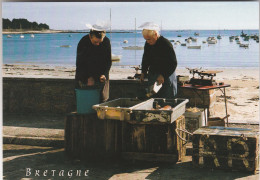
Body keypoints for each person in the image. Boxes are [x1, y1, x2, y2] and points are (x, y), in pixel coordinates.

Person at [139, 22, 178, 99]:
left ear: (156, 35)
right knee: (153, 98)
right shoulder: (147, 44)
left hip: (167, 75)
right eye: (146, 39)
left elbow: (173, 63)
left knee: (168, 100)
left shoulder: (166, 44)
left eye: (149, 39)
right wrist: (143, 72)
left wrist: (163, 75)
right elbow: (145, 59)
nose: (147, 41)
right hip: (153, 74)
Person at [75, 23, 112, 102]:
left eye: (100, 42)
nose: (98, 44)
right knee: (85, 99)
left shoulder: (106, 41)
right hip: (84, 72)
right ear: (90, 36)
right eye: (95, 42)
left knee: (103, 98)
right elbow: (80, 63)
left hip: (101, 72)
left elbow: (108, 61)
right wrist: (88, 77)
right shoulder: (83, 42)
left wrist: (104, 74)